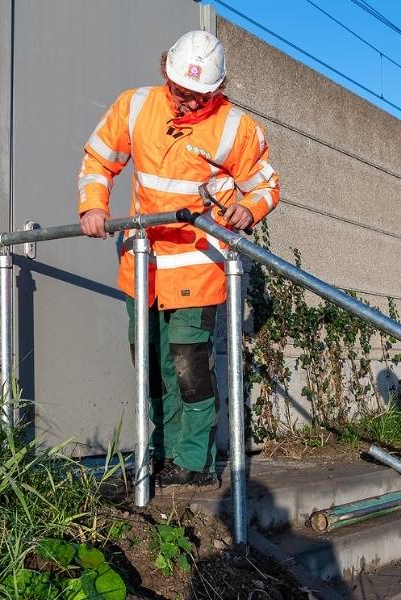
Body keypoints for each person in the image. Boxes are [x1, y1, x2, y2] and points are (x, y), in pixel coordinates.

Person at [77, 30, 279, 487]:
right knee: (151, 367)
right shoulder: (135, 106)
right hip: (142, 266)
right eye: (180, 92)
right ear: (165, 73)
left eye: (198, 97)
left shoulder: (235, 128)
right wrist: (93, 205)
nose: (186, 103)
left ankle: (195, 462)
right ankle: (162, 455)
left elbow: (266, 184)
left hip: (198, 266)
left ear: (219, 90)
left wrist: (249, 208)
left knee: (189, 369)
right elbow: (98, 159)